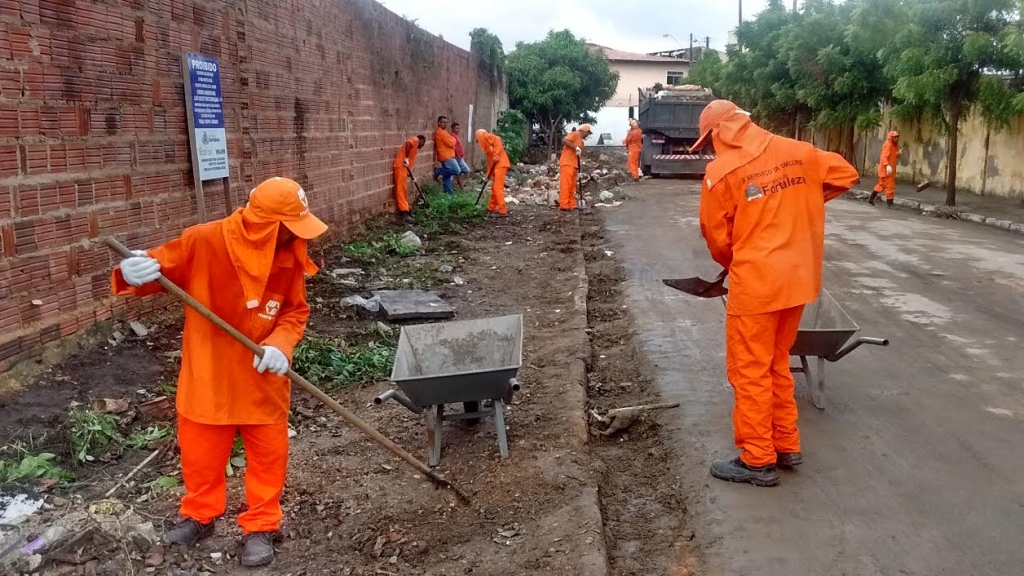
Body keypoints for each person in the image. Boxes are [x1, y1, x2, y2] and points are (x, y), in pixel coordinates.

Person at [111, 177, 327, 566]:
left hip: (262, 376)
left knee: (268, 456)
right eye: (289, 228)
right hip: (208, 373)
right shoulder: (204, 241)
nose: (297, 237)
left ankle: (261, 525)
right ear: (264, 226)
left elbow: (295, 311)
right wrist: (132, 271)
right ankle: (200, 515)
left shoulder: (289, 252)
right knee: (201, 454)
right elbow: (156, 270)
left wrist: (281, 344)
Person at [693, 100, 859, 487]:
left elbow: (716, 236)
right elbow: (846, 174)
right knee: (776, 363)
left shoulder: (721, 171)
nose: (711, 148)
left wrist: (736, 259)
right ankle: (785, 444)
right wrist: (800, 201)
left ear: (720, 132)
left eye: (710, 141)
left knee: (749, 370)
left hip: (757, 286)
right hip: (798, 282)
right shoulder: (800, 152)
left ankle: (757, 459)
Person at [476, 128, 511, 216]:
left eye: (478, 141)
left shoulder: (485, 136)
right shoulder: (487, 147)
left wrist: (496, 155)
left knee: (497, 188)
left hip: (501, 165)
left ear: (479, 137)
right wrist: (487, 176)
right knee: (494, 188)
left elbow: (498, 139)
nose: (479, 143)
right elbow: (490, 164)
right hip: (497, 166)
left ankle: (502, 210)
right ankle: (491, 207)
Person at [559, 124, 593, 210]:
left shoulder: (581, 141)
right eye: (587, 133)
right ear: (584, 131)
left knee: (572, 185)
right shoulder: (575, 134)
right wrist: (575, 147)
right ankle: (564, 204)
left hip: (574, 164)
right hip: (567, 163)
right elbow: (565, 140)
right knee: (566, 184)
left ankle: (572, 204)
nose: (587, 135)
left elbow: (578, 153)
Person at [393, 135, 426, 220]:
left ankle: (407, 209)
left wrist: (410, 176)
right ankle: (404, 212)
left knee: (403, 190)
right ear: (422, 141)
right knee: (401, 190)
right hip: (400, 167)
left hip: (404, 169)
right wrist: (406, 158)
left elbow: (408, 164)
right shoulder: (415, 139)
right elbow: (408, 143)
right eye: (423, 144)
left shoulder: (415, 147)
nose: (422, 147)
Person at [870, 130, 901, 207]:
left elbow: (893, 155)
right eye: (894, 137)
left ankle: (871, 199)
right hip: (887, 171)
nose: (896, 138)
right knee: (890, 186)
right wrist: (887, 165)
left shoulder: (893, 146)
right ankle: (890, 204)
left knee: (881, 185)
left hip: (887, 170)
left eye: (897, 137)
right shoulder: (888, 145)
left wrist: (899, 153)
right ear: (891, 137)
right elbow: (884, 157)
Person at [433, 116, 459, 195]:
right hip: (446, 156)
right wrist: (453, 140)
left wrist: (453, 140)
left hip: (447, 155)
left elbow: (452, 140)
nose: (445, 124)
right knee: (457, 170)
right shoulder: (440, 132)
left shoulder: (444, 132)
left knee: (447, 176)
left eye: (446, 123)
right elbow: (451, 142)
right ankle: (438, 171)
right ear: (439, 123)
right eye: (443, 122)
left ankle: (449, 193)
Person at [451, 122, 472, 189]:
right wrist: (457, 155)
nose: (457, 130)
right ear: (452, 129)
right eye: (456, 128)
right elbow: (454, 147)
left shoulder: (456, 136)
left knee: (459, 172)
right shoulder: (453, 136)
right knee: (466, 170)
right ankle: (459, 183)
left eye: (458, 128)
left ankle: (461, 186)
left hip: (459, 157)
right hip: (458, 157)